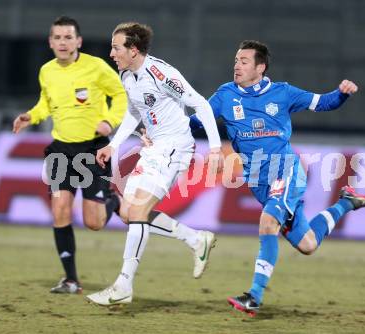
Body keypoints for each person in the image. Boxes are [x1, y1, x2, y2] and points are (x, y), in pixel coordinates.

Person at [189, 40, 365, 316]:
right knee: (308, 244)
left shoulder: (283, 93)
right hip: (258, 181)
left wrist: (342, 93)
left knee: (268, 223)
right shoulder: (225, 95)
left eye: (243, 61)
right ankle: (347, 202)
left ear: (260, 67)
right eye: (235, 60)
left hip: (285, 170)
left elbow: (324, 102)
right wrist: (164, 129)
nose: (236, 65)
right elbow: (198, 121)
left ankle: (253, 297)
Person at [85, 22, 224, 306]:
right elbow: (134, 112)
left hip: (175, 148)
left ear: (133, 50)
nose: (112, 52)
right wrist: (113, 144)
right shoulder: (126, 74)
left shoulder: (161, 73)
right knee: (126, 212)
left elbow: (201, 104)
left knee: (137, 211)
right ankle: (196, 240)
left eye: (116, 47)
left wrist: (216, 148)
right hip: (153, 149)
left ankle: (123, 284)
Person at [12, 16, 127, 294]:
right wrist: (32, 116)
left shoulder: (97, 67)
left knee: (94, 222)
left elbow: (121, 95)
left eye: (68, 37)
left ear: (78, 41)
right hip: (61, 149)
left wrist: (109, 121)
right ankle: (71, 280)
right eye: (58, 38)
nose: (63, 43)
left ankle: (112, 200)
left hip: (92, 149)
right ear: (51, 42)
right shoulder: (47, 71)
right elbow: (46, 104)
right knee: (60, 211)